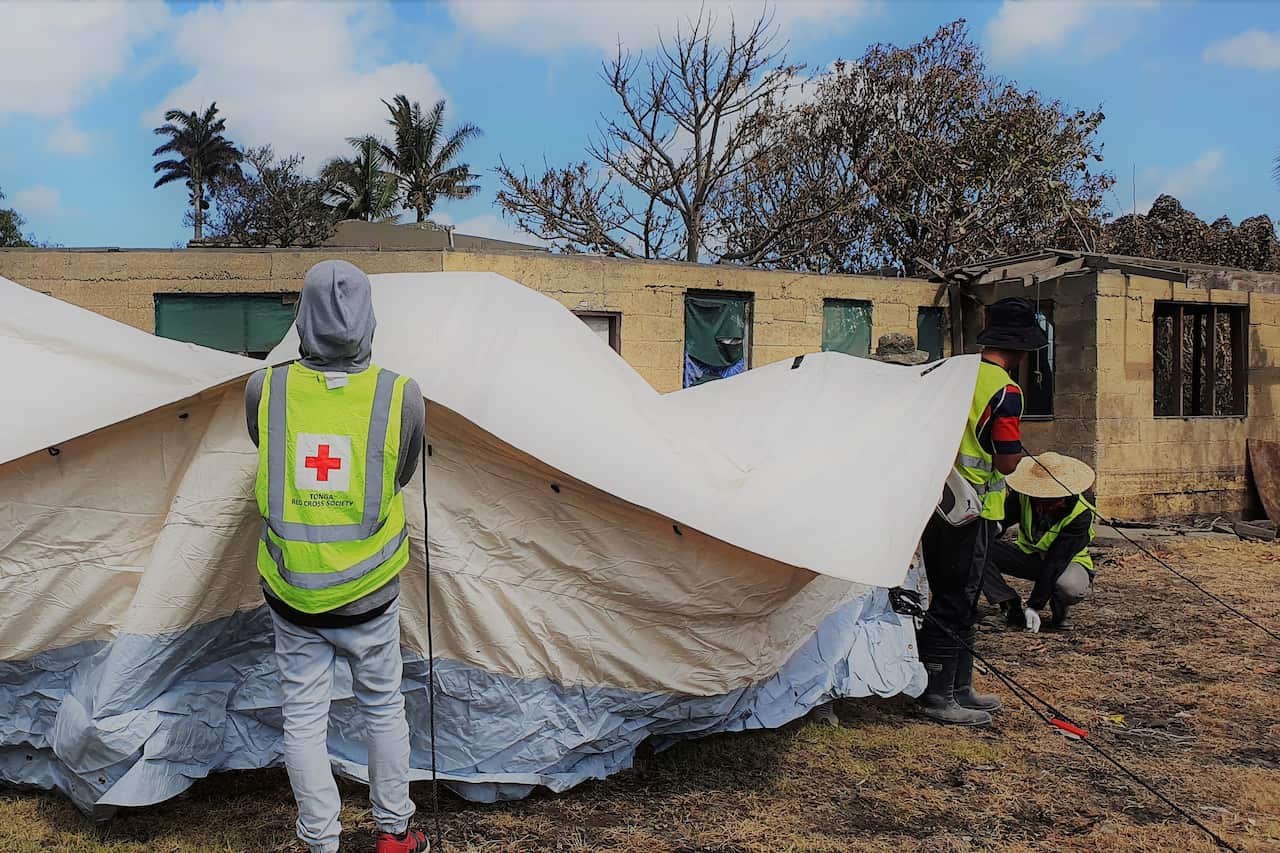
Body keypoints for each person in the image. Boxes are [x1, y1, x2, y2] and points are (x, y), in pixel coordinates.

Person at [245, 260, 430, 853]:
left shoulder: (264, 387)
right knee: (383, 709)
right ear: (368, 318)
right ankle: (395, 835)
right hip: (370, 593)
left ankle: (319, 842)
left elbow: (264, 449)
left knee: (302, 717)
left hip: (292, 590)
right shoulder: (401, 394)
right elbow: (398, 475)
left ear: (302, 316)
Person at [917, 298, 1048, 726]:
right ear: (1022, 349)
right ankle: (937, 695)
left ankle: (960, 688)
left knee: (960, 595)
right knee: (957, 599)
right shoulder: (1006, 390)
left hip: (937, 502)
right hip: (973, 510)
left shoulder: (955, 375)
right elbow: (1008, 461)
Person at [811, 334, 931, 728]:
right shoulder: (854, 413)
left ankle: (876, 681)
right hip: (855, 523)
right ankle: (822, 694)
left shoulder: (917, 414)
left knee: (887, 607)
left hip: (895, 522)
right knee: (843, 609)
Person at [983, 452, 1096, 633]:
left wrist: (1035, 605)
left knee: (1069, 587)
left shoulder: (1081, 513)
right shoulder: (1024, 496)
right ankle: (1009, 606)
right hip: (1028, 555)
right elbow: (1001, 521)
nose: (1042, 505)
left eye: (1050, 500)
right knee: (976, 549)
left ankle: (1060, 609)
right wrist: (988, 535)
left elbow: (1056, 561)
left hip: (1067, 564)